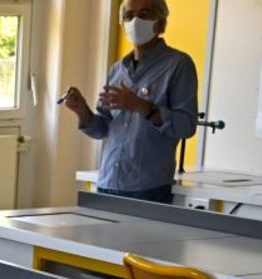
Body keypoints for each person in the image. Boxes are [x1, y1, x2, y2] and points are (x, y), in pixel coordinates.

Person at [62, 0, 197, 204]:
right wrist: (82, 111)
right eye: (129, 16)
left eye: (144, 14)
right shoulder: (118, 69)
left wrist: (140, 106)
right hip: (108, 182)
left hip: (149, 187)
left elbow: (186, 127)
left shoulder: (178, 65)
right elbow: (103, 129)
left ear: (160, 23)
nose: (135, 21)